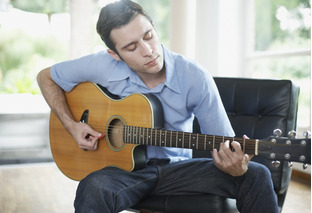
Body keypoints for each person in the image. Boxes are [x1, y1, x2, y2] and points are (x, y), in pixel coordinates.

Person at [37, 0, 279, 212]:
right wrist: (71, 126)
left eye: (149, 35)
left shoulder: (194, 76)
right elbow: (46, 77)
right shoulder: (102, 65)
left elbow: (225, 142)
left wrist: (234, 165)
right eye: (131, 47)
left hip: (179, 171)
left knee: (256, 174)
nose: (148, 51)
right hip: (122, 173)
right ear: (115, 54)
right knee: (93, 187)